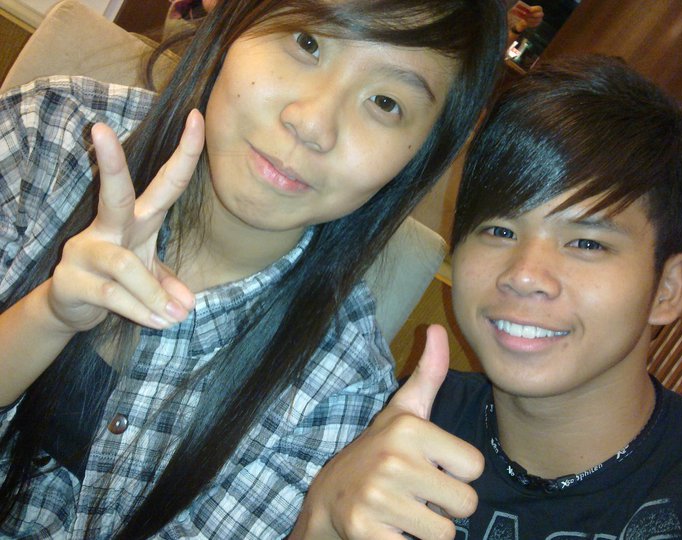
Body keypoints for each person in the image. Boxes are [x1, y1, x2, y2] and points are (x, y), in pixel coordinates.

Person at [0, 0, 507, 537]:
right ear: (237, 21)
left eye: (384, 102)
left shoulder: (337, 390)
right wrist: (47, 315)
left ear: (417, 158)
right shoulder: (53, 134)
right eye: (308, 42)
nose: (312, 124)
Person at [292, 55, 682, 539]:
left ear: (666, 289)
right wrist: (321, 519)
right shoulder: (400, 427)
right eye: (499, 230)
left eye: (586, 243)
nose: (524, 275)